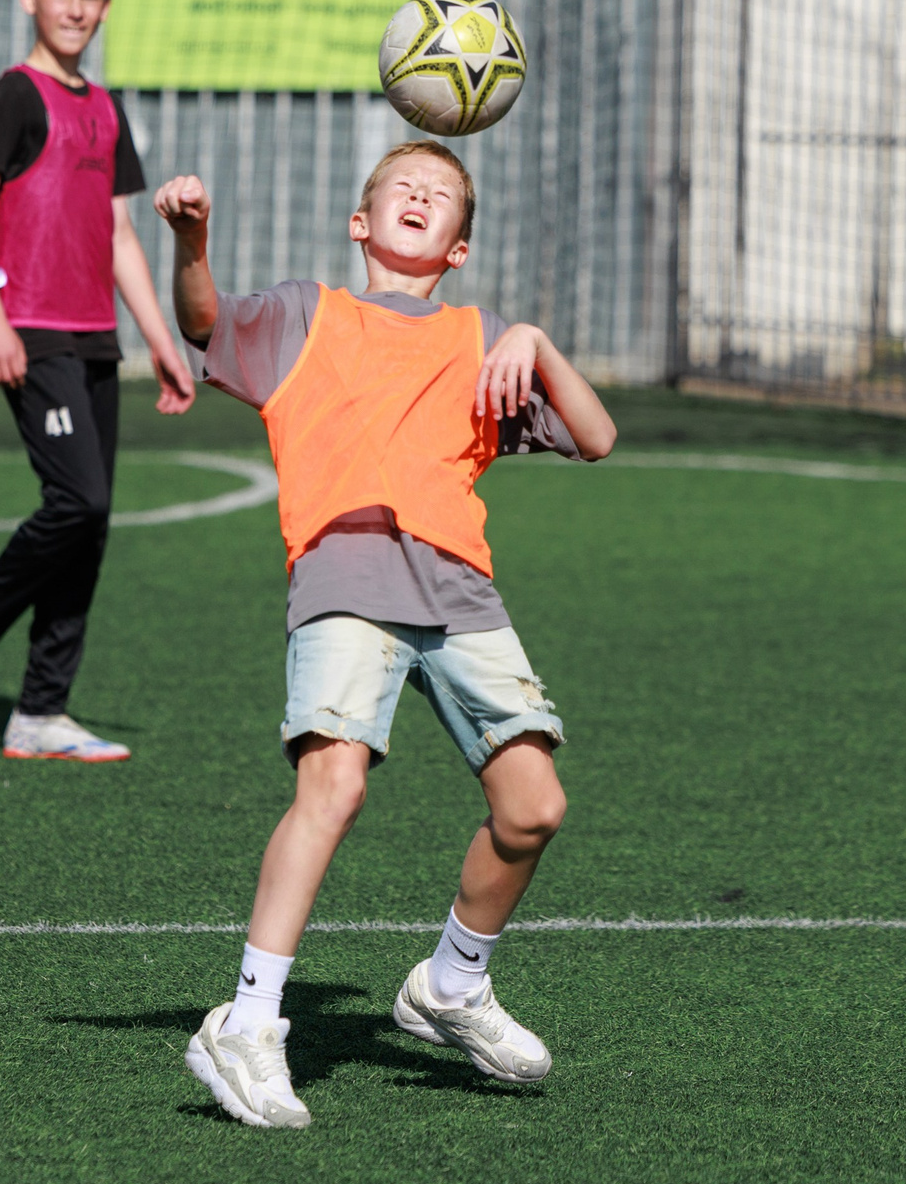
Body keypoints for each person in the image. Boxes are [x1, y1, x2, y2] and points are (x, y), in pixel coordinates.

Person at [157, 141, 617, 1128]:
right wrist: (192, 241)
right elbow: (203, 319)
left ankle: (451, 984)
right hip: (347, 562)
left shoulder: (483, 337)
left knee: (533, 805)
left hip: (459, 583)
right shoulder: (300, 315)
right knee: (335, 780)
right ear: (361, 223)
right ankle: (246, 1020)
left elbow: (595, 435)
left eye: (442, 193)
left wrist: (531, 340)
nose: (419, 194)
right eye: (401, 187)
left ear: (457, 247)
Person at [0, 0, 196, 762]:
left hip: (96, 341)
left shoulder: (105, 109)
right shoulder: (15, 95)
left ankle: (41, 711)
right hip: (32, 329)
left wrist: (160, 341)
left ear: (104, 8)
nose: (75, 8)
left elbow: (117, 234)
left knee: (90, 526)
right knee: (78, 502)